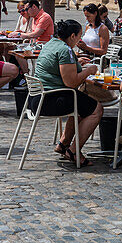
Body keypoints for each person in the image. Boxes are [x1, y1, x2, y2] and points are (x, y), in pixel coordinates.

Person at [32, 19, 104, 166]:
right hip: (51, 99)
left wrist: (76, 62)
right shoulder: (65, 50)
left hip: (37, 97)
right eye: (79, 36)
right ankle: (73, 151)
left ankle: (63, 144)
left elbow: (59, 65)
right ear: (72, 36)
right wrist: (89, 70)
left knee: (81, 106)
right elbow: (71, 82)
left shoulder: (51, 44)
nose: (80, 39)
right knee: (96, 109)